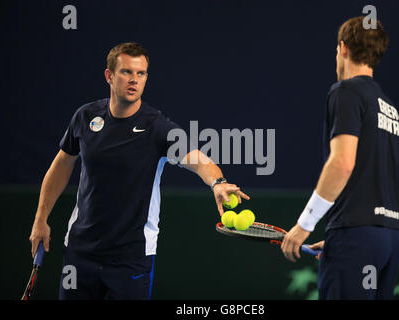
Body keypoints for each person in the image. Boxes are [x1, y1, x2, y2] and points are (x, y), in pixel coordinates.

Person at [29, 42, 249, 300]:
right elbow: (62, 164)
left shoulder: (158, 128)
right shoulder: (85, 116)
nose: (134, 80)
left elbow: (198, 160)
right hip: (79, 253)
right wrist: (40, 219)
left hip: (132, 258)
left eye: (141, 73)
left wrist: (218, 182)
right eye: (126, 72)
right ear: (109, 76)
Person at [281, 16, 399, 300]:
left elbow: (342, 163)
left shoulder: (346, 91)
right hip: (389, 239)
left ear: (344, 48)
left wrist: (305, 225)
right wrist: (343, 237)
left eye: (336, 50)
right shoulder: (390, 108)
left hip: (357, 237)